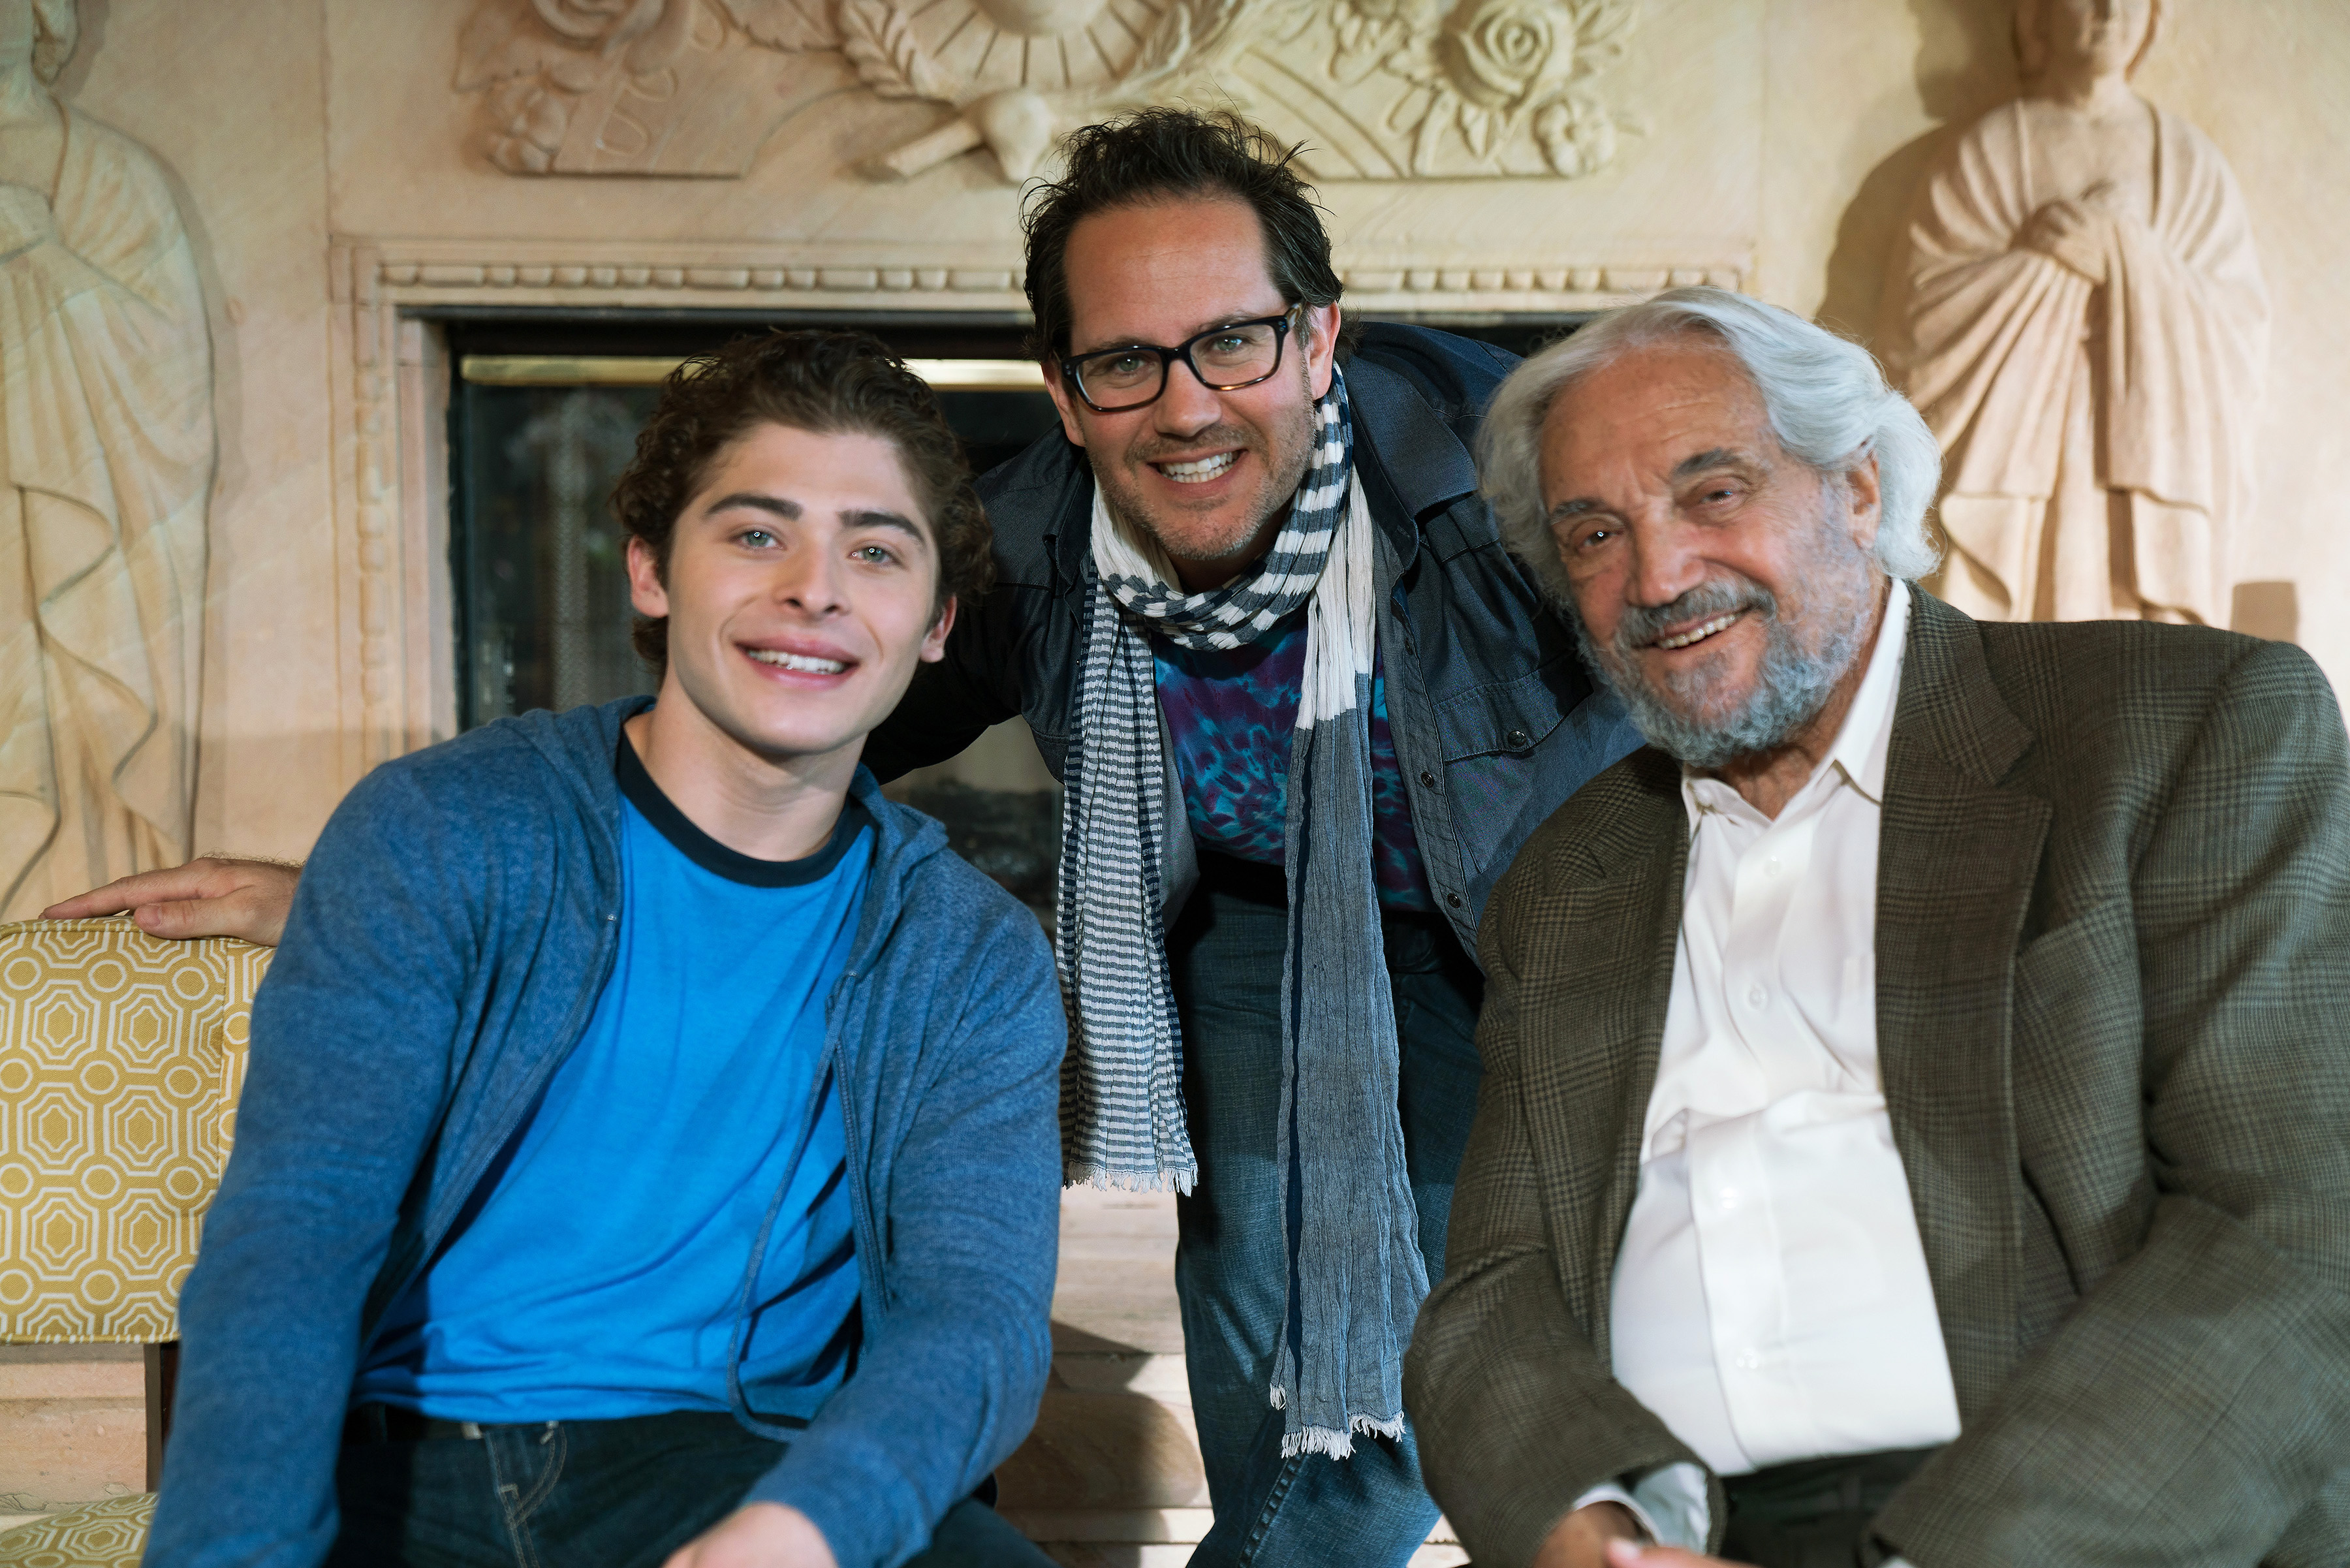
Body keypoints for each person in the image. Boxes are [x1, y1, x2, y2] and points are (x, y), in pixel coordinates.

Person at [59, 110, 1645, 1568]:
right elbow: (802, 711)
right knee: (1257, 1324)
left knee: (1429, 1346)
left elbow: (1701, 659)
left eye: (1233, 340)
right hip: (1247, 910)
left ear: (1317, 340)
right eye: (1125, 361)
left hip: (1517, 911)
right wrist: (364, 884)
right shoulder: (1015, 548)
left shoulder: (1508, 470)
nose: (1184, 402)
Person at [1402, 285, 2350, 1568]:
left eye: (1714, 491)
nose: (1660, 575)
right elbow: (1490, 1299)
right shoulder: (1568, 877)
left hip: (2064, 1522)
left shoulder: (2171, 732)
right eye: (1593, 534)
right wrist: (1593, 1539)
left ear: (1856, 488)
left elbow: (2298, 1233)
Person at [141, 330, 1067, 1568]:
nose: (815, 585)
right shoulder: (443, 828)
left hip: (735, 1462)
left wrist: (807, 1527)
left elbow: (977, 1319)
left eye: (876, 549)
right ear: (649, 569)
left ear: (937, 620)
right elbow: (292, 1242)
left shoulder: (967, 955)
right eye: (755, 532)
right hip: (413, 1451)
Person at [1883, 0, 2266, 627]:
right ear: (2036, 15)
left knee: (2139, 659)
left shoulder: (2192, 165)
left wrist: (2127, 252)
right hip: (2022, 438)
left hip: (2147, 443)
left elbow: (2236, 331)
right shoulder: (1989, 152)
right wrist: (2051, 266)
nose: (2110, 11)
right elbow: (1925, 317)